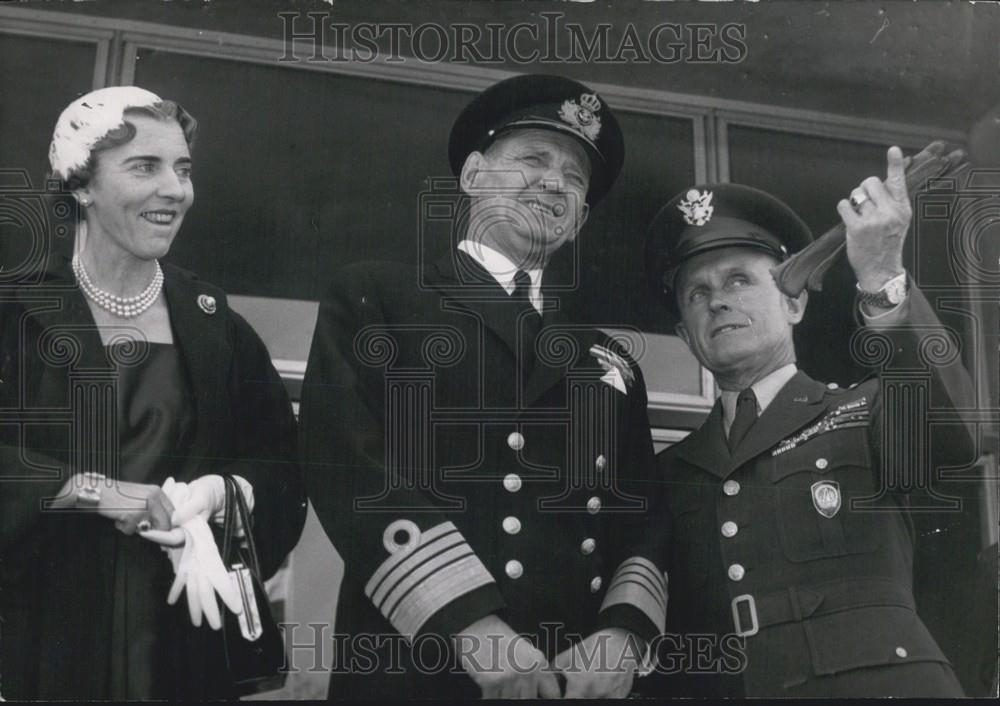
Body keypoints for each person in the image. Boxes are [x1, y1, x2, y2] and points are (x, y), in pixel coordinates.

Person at [299, 74, 666, 699]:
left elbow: (645, 518)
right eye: (532, 159)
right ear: (472, 175)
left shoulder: (609, 360)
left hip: (574, 683)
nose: (555, 183)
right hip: (421, 667)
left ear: (578, 221)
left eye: (576, 180)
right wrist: (473, 628)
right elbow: (347, 466)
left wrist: (625, 634)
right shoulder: (380, 299)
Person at [0, 86, 307, 700]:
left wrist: (222, 493)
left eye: (183, 169)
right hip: (39, 636)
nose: (175, 188)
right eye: (145, 166)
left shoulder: (215, 322)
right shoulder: (14, 312)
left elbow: (282, 467)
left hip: (179, 637)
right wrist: (99, 495)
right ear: (81, 185)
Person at [639, 148, 977, 697]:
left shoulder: (863, 412)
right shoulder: (669, 470)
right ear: (684, 336)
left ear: (794, 305)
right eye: (697, 293)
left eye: (740, 280)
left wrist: (883, 276)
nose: (719, 302)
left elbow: (952, 434)